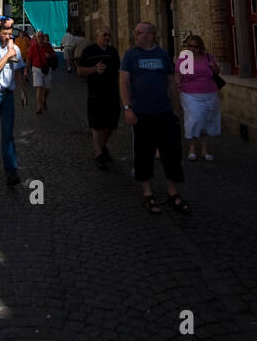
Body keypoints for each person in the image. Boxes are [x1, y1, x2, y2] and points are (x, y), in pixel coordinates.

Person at [119, 20, 190, 215]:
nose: (136, 36)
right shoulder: (130, 55)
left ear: (150, 35)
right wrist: (127, 108)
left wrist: (177, 109)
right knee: (144, 153)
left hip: (164, 112)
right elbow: (124, 82)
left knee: (172, 153)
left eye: (139, 33)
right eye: (136, 33)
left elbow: (171, 83)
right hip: (142, 114)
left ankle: (173, 192)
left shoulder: (162, 55)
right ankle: (147, 193)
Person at [0, 17, 27, 185]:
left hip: (8, 96)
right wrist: (7, 55)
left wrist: (23, 92)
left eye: (10, 34)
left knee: (7, 135)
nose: (7, 37)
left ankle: (11, 171)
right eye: (4, 34)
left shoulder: (15, 49)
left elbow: (17, 72)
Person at [77, 22, 121, 168]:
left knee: (111, 125)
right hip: (96, 94)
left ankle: (102, 146)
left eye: (109, 35)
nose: (107, 37)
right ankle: (99, 154)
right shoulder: (89, 51)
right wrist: (94, 69)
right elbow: (80, 71)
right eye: (105, 34)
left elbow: (119, 71)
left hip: (112, 93)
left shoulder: (113, 52)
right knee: (97, 125)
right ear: (98, 36)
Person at [177, 33, 223, 161]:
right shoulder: (184, 58)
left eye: (196, 47)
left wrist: (214, 68)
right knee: (194, 119)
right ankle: (192, 148)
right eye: (190, 46)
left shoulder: (207, 57)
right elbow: (178, 75)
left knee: (207, 120)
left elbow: (217, 72)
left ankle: (205, 149)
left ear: (200, 47)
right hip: (189, 93)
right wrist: (176, 90)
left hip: (209, 93)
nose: (193, 49)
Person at [27, 30, 54, 114]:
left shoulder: (48, 46)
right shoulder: (33, 48)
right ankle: (39, 106)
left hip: (46, 69)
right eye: (39, 36)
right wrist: (25, 70)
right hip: (36, 69)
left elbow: (54, 55)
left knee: (46, 89)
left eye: (42, 36)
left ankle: (44, 100)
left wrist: (49, 56)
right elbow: (28, 59)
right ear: (36, 38)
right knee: (39, 88)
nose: (41, 38)